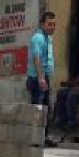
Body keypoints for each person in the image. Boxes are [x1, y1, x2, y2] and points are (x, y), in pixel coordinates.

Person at [27, 11, 57, 146]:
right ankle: (34, 138)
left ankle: (43, 138)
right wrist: (41, 78)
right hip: (37, 78)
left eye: (54, 24)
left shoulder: (47, 38)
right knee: (37, 109)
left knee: (45, 108)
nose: (52, 27)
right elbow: (36, 59)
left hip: (45, 77)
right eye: (49, 24)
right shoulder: (38, 38)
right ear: (42, 24)